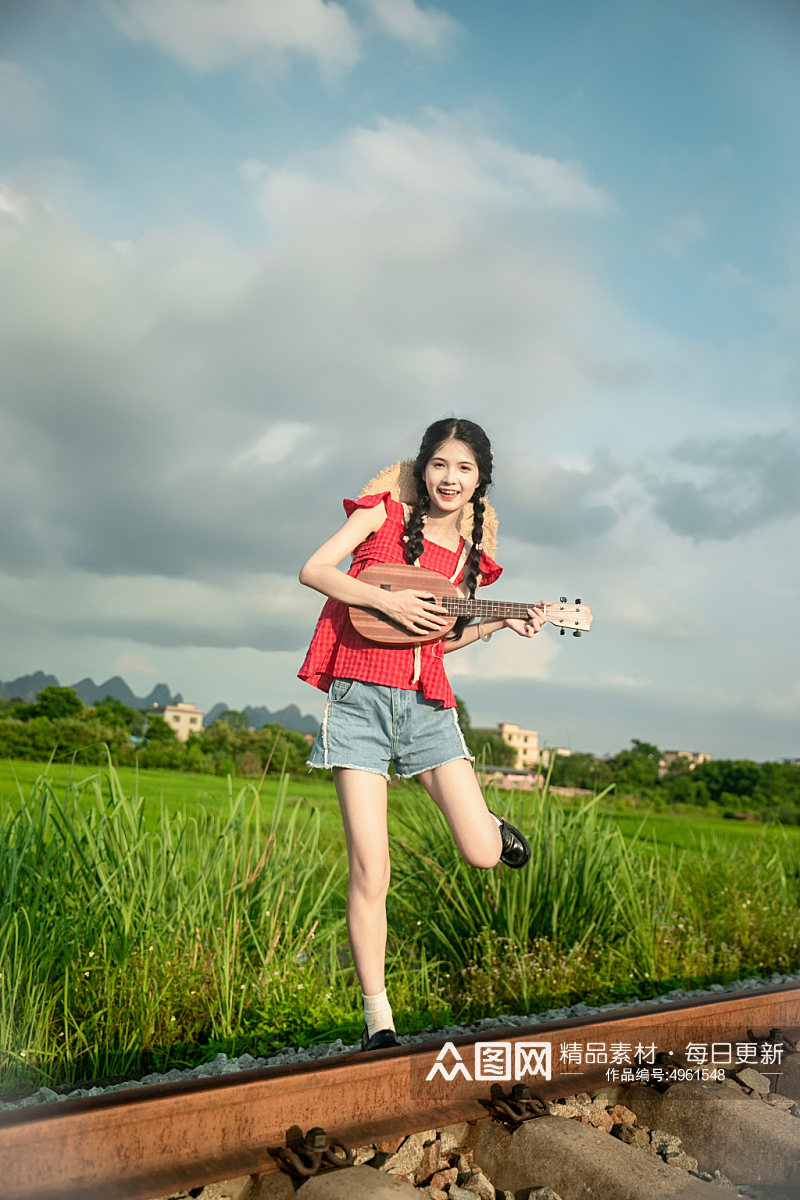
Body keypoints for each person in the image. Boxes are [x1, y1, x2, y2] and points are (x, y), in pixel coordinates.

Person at [298, 418, 546, 1051]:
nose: (450, 479)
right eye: (441, 465)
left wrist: (503, 622)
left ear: (479, 480)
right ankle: (378, 1019)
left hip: (427, 705)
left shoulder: (466, 558)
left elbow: (440, 636)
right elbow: (314, 570)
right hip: (359, 702)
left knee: (482, 854)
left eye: (464, 470)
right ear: (423, 467)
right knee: (369, 868)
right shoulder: (381, 513)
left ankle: (492, 824)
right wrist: (388, 601)